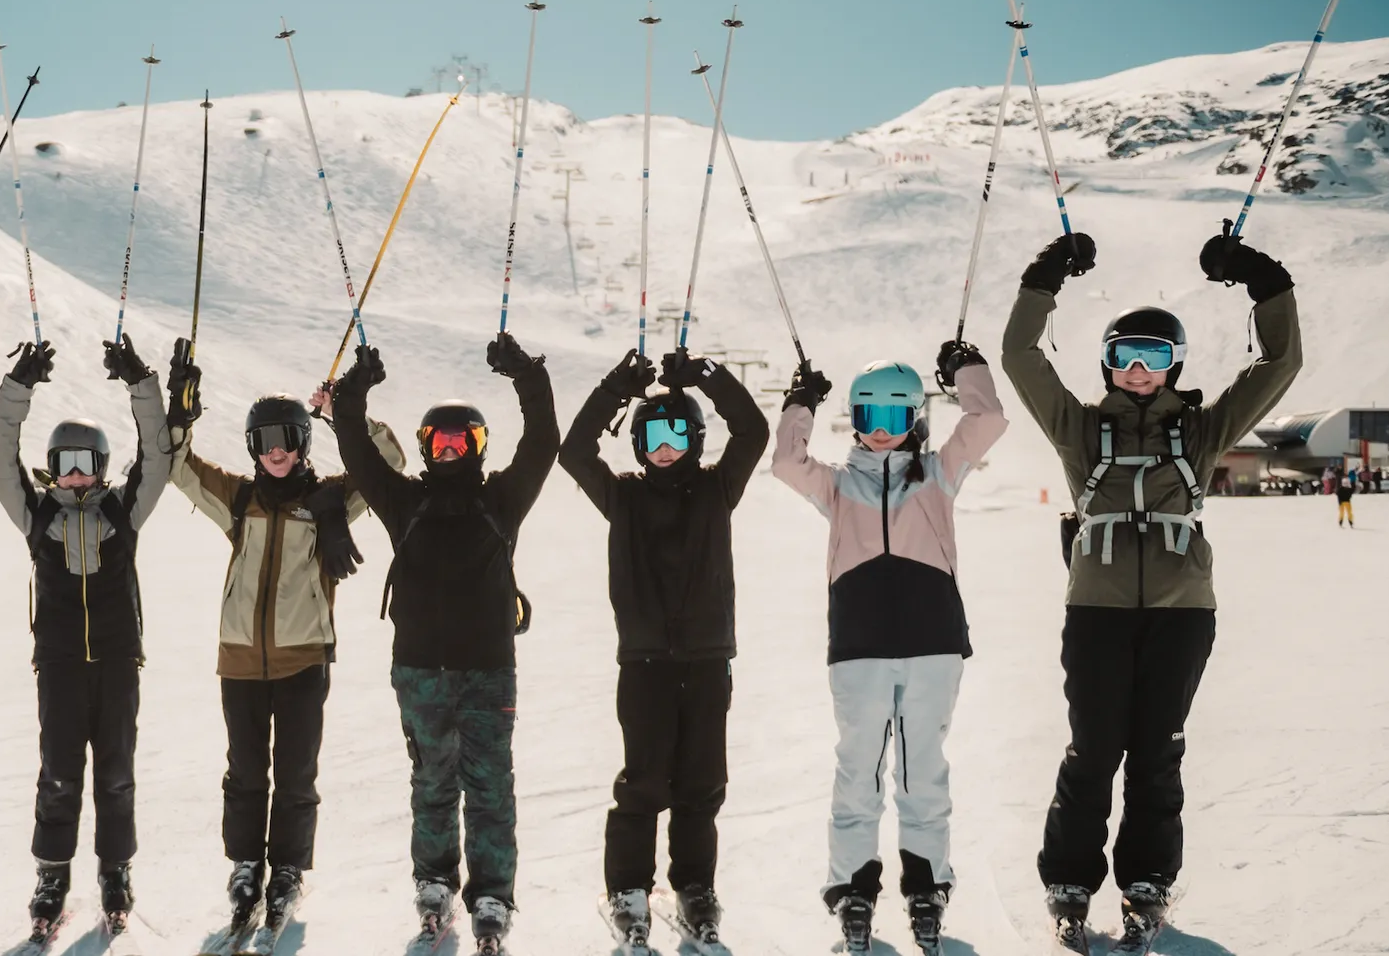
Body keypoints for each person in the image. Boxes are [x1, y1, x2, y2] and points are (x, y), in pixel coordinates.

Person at [1002, 227, 1300, 952]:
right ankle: (1070, 879)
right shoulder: (1080, 431)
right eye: (1126, 358)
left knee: (1158, 751)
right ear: (1107, 365)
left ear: (1175, 366)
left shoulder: (1198, 433)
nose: (1139, 371)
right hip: (1097, 613)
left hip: (1181, 616)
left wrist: (1265, 282)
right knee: (1092, 749)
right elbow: (1020, 358)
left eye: (1155, 357)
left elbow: (1280, 363)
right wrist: (1044, 280)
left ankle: (1146, 882)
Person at [162, 342, 405, 943]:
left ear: (303, 442)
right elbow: (175, 467)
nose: (278, 450)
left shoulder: (332, 500)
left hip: (304, 662)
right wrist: (179, 411)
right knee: (245, 772)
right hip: (240, 661)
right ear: (252, 446)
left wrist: (344, 411)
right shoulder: (238, 499)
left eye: (290, 437)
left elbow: (391, 460)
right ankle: (246, 866)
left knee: (295, 774)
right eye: (266, 439)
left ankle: (288, 870)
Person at [771, 348, 1008, 953]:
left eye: (894, 417)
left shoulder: (937, 474)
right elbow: (785, 462)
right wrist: (801, 402)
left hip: (932, 646)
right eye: (867, 413)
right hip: (859, 648)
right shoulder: (838, 485)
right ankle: (854, 888)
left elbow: (986, 421)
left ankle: (926, 885)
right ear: (852, 417)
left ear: (916, 421)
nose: (880, 429)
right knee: (859, 772)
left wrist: (966, 373)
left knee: (921, 770)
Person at [330, 334, 558, 951]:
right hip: (420, 671)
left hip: (489, 671)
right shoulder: (405, 501)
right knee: (432, 780)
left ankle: (491, 892)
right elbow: (357, 452)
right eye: (441, 441)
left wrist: (527, 380)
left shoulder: (502, 499)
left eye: (466, 440)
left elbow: (544, 444)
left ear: (481, 447)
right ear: (428, 448)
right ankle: (434, 882)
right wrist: (353, 393)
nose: (453, 450)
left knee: (489, 786)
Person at [558, 349, 766, 950]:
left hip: (705, 660)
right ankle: (628, 889)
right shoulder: (621, 496)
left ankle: (695, 886)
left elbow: (751, 430)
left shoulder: (716, 488)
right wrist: (616, 392)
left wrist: (707, 376)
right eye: (652, 433)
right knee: (644, 781)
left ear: (696, 438)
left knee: (701, 782)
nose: (664, 445)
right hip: (645, 664)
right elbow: (574, 451)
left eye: (677, 431)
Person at [0, 333, 175, 937]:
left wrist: (140, 382)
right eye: (63, 462)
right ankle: (52, 875)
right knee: (59, 773)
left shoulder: (123, 512)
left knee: (116, 774)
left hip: (117, 664)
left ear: (99, 467)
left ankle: (115, 871)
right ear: (52, 468)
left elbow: (158, 455)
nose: (73, 474)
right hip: (62, 666)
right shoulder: (36, 515)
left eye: (85, 463)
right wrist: (19, 387)